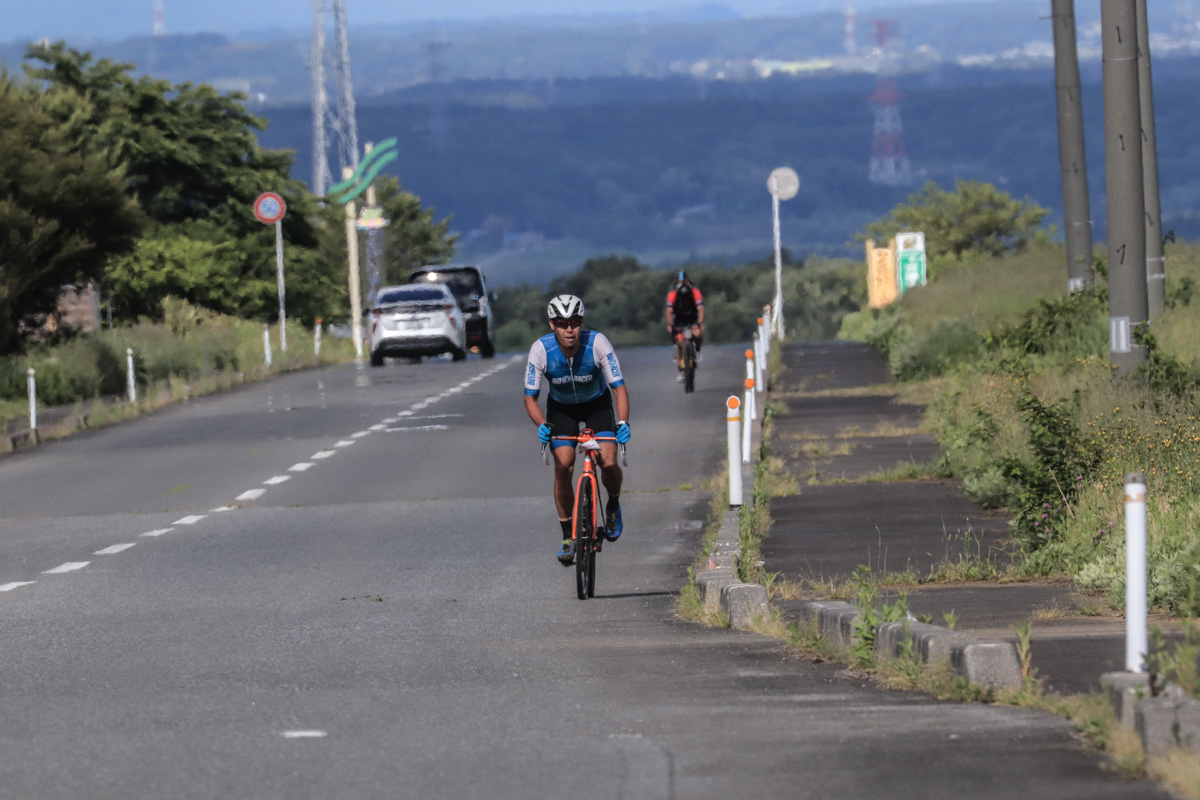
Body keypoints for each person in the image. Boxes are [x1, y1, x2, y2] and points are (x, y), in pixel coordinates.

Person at [524, 294, 632, 566]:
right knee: (564, 466)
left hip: (597, 404)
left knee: (608, 461)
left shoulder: (597, 343)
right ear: (552, 325)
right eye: (562, 323)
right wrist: (542, 426)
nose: (569, 329)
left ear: (582, 322)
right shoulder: (540, 350)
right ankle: (567, 536)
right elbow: (530, 398)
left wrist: (623, 422)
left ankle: (613, 503)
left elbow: (618, 388)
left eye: (574, 322)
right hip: (562, 409)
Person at [665, 271, 704, 382]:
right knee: (679, 342)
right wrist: (671, 325)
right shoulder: (673, 294)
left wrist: (699, 323)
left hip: (692, 317)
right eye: (680, 281)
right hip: (678, 319)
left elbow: (700, 309)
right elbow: (669, 312)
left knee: (697, 333)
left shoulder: (695, 292)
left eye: (684, 281)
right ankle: (681, 369)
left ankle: (697, 350)